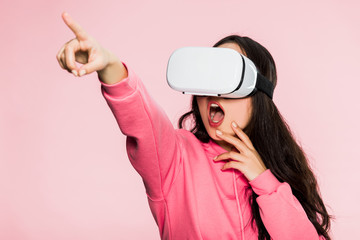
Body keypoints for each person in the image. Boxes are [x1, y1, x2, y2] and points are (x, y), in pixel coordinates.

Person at [56, 12, 332, 240]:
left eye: (225, 77)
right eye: (206, 77)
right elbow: (143, 120)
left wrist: (263, 180)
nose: (213, 91)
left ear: (257, 94)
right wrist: (110, 66)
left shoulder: (281, 173)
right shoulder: (176, 157)